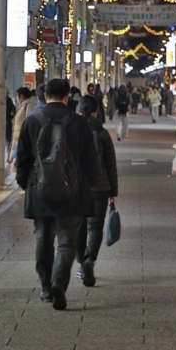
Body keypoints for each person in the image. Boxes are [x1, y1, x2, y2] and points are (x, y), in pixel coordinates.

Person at [16, 77, 99, 311]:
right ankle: (58, 284)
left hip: (40, 189)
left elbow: (22, 159)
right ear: (66, 97)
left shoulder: (32, 122)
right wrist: (91, 186)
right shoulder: (78, 122)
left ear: (44, 96)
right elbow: (91, 160)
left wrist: (26, 184)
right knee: (66, 241)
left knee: (43, 237)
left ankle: (45, 288)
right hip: (72, 191)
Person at [75, 94, 118, 287]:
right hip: (99, 187)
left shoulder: (71, 130)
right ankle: (90, 260)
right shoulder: (102, 133)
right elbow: (111, 164)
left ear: (79, 110)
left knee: (78, 227)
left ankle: (81, 263)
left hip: (77, 187)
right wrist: (113, 192)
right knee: (95, 227)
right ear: (96, 111)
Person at [8, 87, 37, 164]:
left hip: (21, 138)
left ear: (21, 96)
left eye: (17, 96)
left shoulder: (29, 105)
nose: (17, 99)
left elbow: (29, 123)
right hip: (18, 138)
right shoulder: (23, 106)